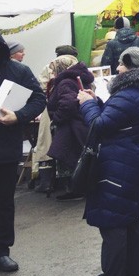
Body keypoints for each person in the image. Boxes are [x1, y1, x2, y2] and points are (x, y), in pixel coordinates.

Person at [75, 47, 139, 276]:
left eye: (121, 66)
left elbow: (99, 125)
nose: (118, 70)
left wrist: (87, 104)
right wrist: (100, 102)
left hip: (118, 159)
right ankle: (135, 268)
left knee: (112, 219)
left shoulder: (128, 93)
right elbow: (120, 120)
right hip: (133, 154)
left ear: (130, 68)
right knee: (130, 214)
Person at [0, 24, 46, 272]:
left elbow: (39, 99)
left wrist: (18, 116)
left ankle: (0, 251)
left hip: (3, 148)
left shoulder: (17, 70)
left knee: (2, 202)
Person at [46, 56, 95, 200]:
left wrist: (56, 118)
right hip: (81, 124)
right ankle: (82, 189)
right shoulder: (77, 78)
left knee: (72, 159)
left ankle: (77, 190)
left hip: (71, 128)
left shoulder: (65, 82)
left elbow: (68, 104)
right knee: (81, 158)